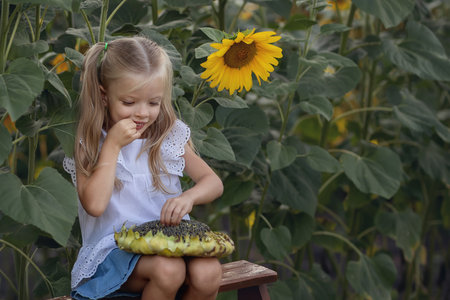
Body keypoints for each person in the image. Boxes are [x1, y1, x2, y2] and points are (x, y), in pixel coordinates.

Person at [63, 36, 224, 300]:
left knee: (208, 273)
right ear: (104, 95)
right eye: (129, 102)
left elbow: (212, 182)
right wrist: (112, 147)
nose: (142, 113)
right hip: (114, 251)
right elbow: (94, 205)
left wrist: (188, 197)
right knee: (167, 270)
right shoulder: (90, 140)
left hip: (170, 241)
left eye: (153, 102)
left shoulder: (165, 134)